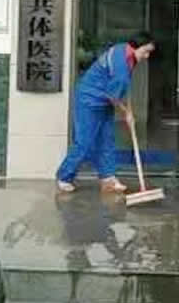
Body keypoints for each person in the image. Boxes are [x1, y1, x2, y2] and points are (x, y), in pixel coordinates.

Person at [56, 32, 156, 193]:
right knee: (84, 142)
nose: (147, 56)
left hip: (103, 99)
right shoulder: (121, 67)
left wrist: (126, 108)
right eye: (146, 51)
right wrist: (126, 113)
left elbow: (116, 90)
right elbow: (113, 96)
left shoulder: (123, 49)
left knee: (106, 140)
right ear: (135, 47)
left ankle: (108, 178)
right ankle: (64, 176)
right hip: (89, 99)